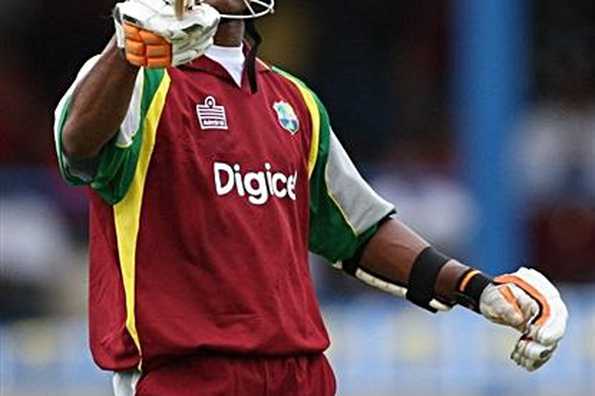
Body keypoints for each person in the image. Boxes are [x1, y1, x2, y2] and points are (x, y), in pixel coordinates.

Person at [53, 1, 568, 395]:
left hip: (300, 376)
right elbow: (79, 147)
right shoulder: (136, 79)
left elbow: (359, 230)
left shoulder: (295, 102)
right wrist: (126, 50)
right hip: (187, 377)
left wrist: (477, 289)